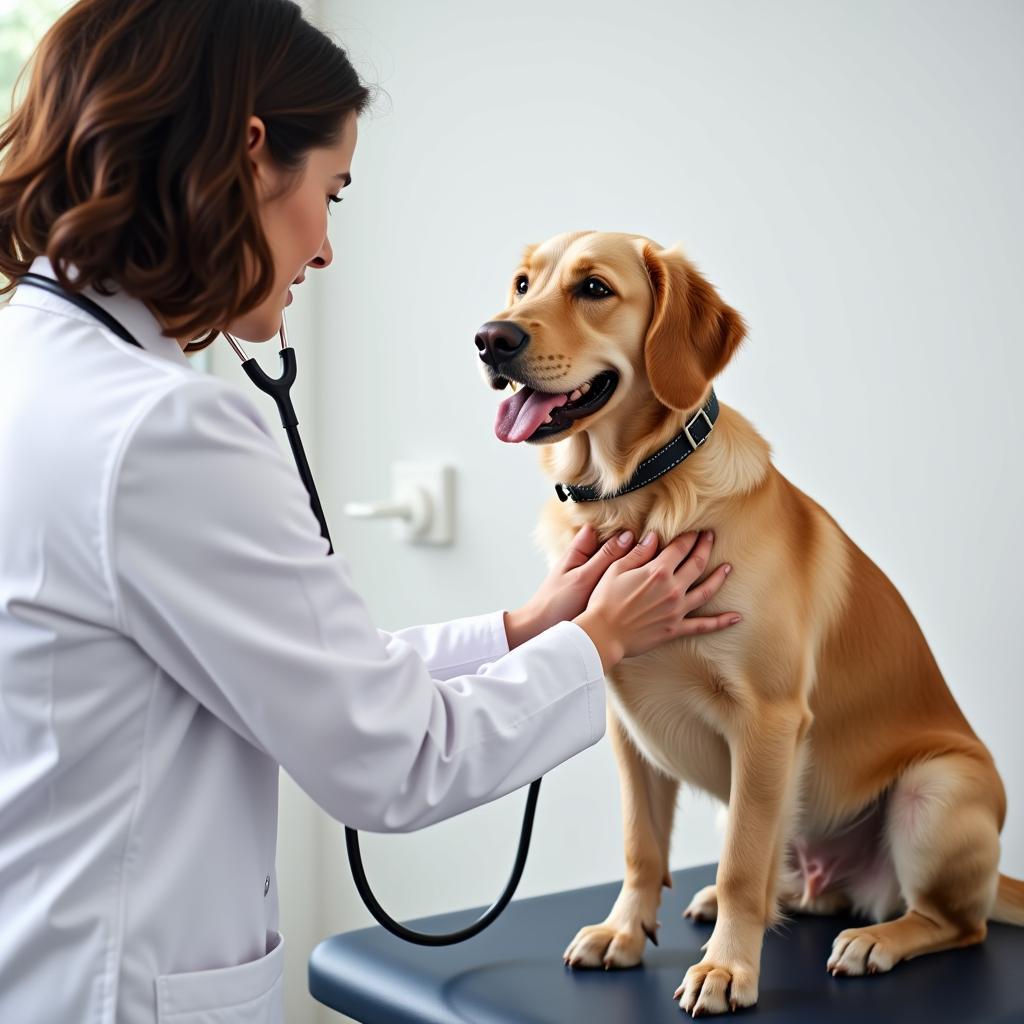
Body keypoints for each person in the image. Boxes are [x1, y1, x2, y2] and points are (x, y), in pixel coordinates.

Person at [0, 2, 741, 1021]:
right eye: (331, 192)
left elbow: (286, 664)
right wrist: (597, 645)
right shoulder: (165, 433)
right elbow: (391, 759)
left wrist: (520, 629)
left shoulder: (37, 370)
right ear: (251, 156)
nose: (326, 249)